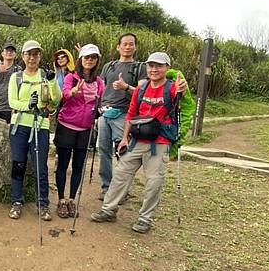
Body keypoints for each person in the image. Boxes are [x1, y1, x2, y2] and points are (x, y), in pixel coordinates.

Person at [91, 52, 187, 233]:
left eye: (159, 66)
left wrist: (183, 87)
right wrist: (125, 138)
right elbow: (131, 113)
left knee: (153, 182)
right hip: (136, 140)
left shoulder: (172, 88)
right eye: (151, 66)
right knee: (120, 174)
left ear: (167, 67)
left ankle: (145, 219)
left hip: (159, 142)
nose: (154, 69)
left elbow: (181, 95)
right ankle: (108, 209)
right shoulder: (141, 89)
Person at [7, 40, 61, 221]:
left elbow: (55, 101)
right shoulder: (16, 77)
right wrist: (27, 105)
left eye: (35, 54)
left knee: (41, 167)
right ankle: (16, 201)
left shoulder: (46, 77)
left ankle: (43, 203)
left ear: (39, 56)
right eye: (29, 54)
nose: (32, 57)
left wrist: (53, 82)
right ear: (23, 56)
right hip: (20, 125)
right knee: (18, 164)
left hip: (41, 125)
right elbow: (12, 102)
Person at [54, 44, 105, 218]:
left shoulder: (99, 82)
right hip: (67, 125)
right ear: (80, 59)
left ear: (97, 60)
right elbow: (65, 94)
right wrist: (73, 92)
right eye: (86, 57)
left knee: (78, 166)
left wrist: (102, 110)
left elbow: (100, 103)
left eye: (93, 57)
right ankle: (61, 200)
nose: (89, 60)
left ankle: (71, 200)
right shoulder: (71, 77)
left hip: (85, 129)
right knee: (63, 164)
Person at [97, 33, 147, 200]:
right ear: (118, 47)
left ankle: (121, 190)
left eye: (131, 44)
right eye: (124, 44)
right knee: (103, 151)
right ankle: (106, 187)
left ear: (135, 47)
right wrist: (98, 109)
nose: (127, 47)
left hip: (125, 114)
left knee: (123, 153)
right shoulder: (108, 66)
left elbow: (142, 93)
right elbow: (100, 88)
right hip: (105, 113)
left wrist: (126, 87)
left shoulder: (141, 67)